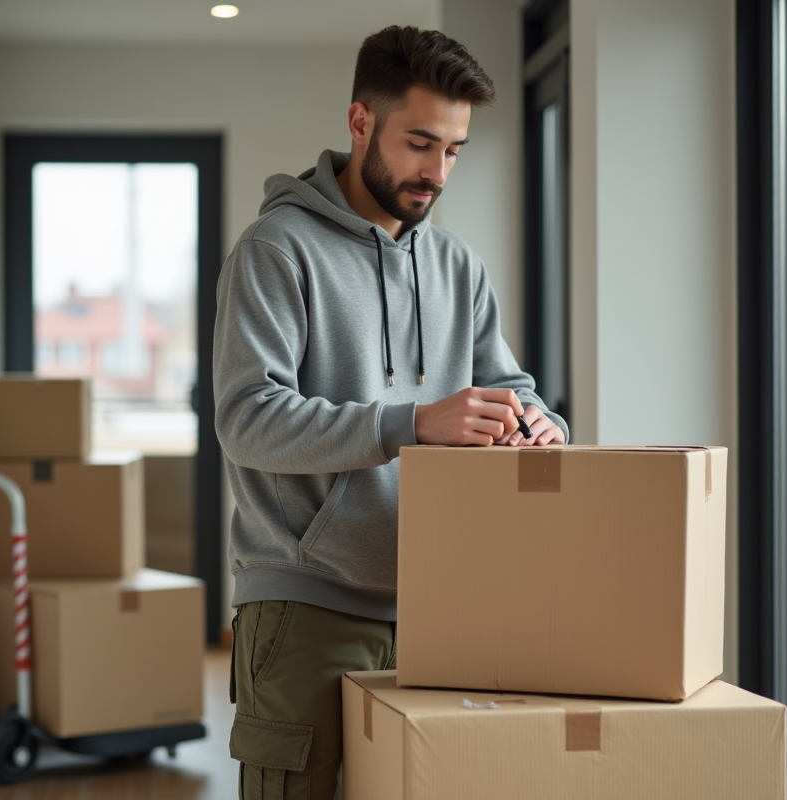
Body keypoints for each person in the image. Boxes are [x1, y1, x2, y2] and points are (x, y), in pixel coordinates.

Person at [213, 24, 569, 800]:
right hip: (306, 605)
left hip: (442, 607)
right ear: (360, 122)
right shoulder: (276, 251)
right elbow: (246, 418)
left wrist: (540, 423)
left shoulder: (455, 266)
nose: (436, 172)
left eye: (454, 150)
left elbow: (512, 382)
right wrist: (407, 423)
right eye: (419, 143)